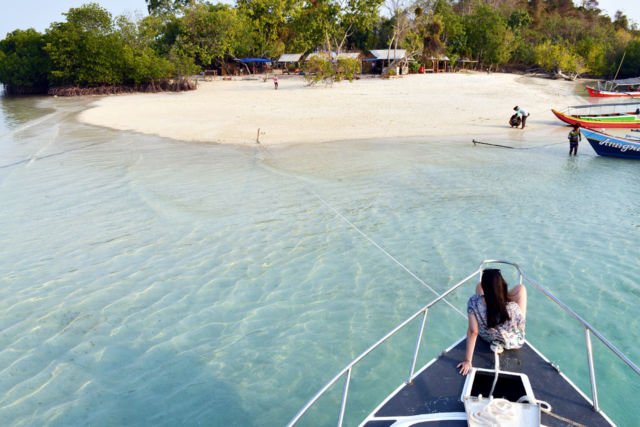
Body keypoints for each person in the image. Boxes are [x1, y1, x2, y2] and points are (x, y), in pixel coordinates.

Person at [457, 268, 527, 376]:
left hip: (486, 336)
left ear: (485, 289)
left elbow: (473, 331)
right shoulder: (513, 308)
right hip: (512, 342)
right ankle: (497, 294)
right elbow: (520, 325)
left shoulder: (473, 302)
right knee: (521, 289)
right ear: (502, 284)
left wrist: (468, 361)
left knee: (478, 287)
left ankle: (492, 294)